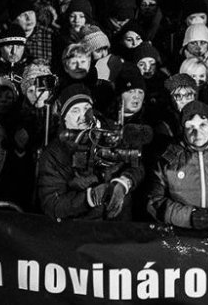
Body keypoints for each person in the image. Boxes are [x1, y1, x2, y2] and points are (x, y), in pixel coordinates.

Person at [36, 84, 144, 220]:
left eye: (87, 109)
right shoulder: (55, 153)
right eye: (75, 110)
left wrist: (124, 182)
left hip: (119, 224)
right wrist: (90, 197)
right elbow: (52, 204)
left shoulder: (111, 133)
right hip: (81, 230)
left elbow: (136, 164)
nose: (83, 116)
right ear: (64, 117)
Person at [147, 100, 208, 232]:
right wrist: (188, 217)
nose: (197, 133)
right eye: (190, 127)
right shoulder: (168, 158)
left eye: (203, 125)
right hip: (180, 234)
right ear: (183, 129)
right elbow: (154, 201)